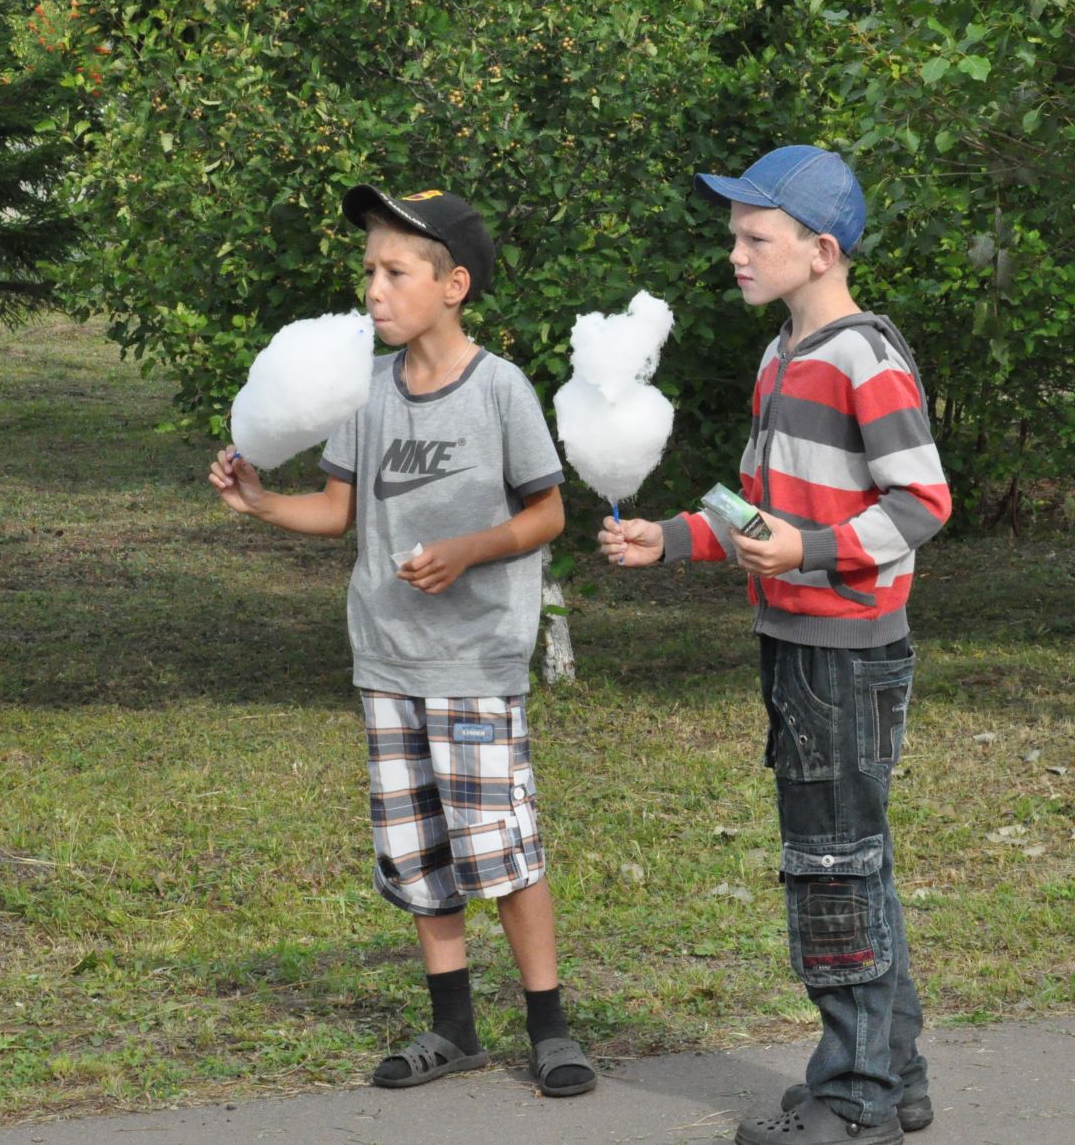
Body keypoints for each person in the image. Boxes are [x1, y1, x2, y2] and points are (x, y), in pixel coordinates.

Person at [208, 185, 596, 1098]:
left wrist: (470, 549)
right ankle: (452, 1026)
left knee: (499, 848)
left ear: (453, 283)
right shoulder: (364, 392)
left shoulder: (500, 388)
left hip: (476, 658)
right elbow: (338, 511)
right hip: (386, 659)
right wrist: (262, 501)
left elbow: (549, 513)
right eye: (368, 273)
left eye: (394, 273)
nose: (373, 291)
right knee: (418, 851)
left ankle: (550, 1023)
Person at [601, 146, 950, 1143]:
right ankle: (894, 1073)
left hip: (846, 652)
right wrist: (668, 536)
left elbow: (923, 502)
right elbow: (758, 511)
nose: (736, 256)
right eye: (734, 238)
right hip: (798, 647)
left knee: (832, 868)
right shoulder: (781, 358)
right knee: (855, 862)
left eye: (756, 239)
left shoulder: (861, 359)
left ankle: (856, 1098)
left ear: (821, 248)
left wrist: (817, 550)